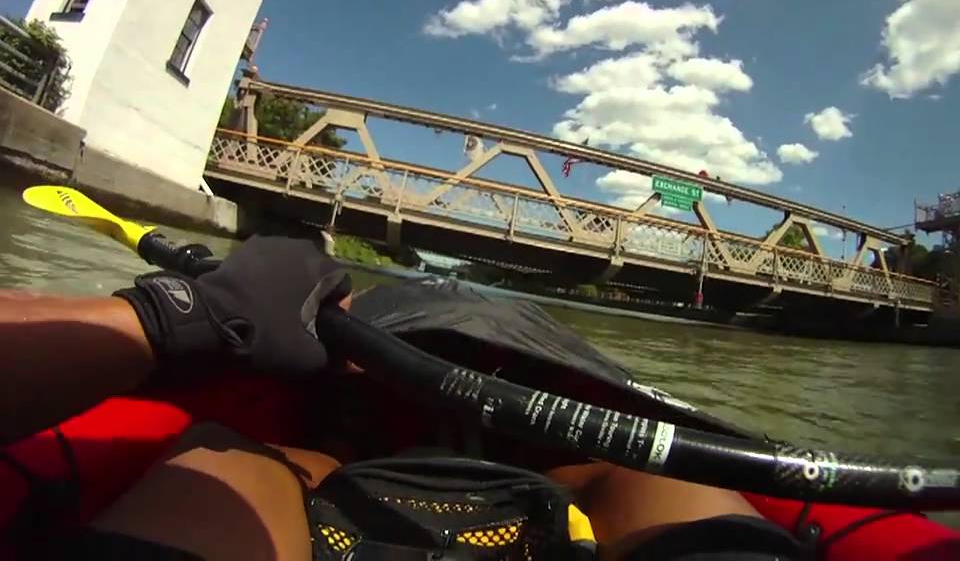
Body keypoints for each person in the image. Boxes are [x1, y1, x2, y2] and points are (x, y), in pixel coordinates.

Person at [0, 236, 802, 560]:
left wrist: (164, 318)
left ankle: (353, 443)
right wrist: (170, 319)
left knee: (237, 462)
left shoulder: (254, 462)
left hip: (316, 471)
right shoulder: (626, 477)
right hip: (561, 478)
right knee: (648, 477)